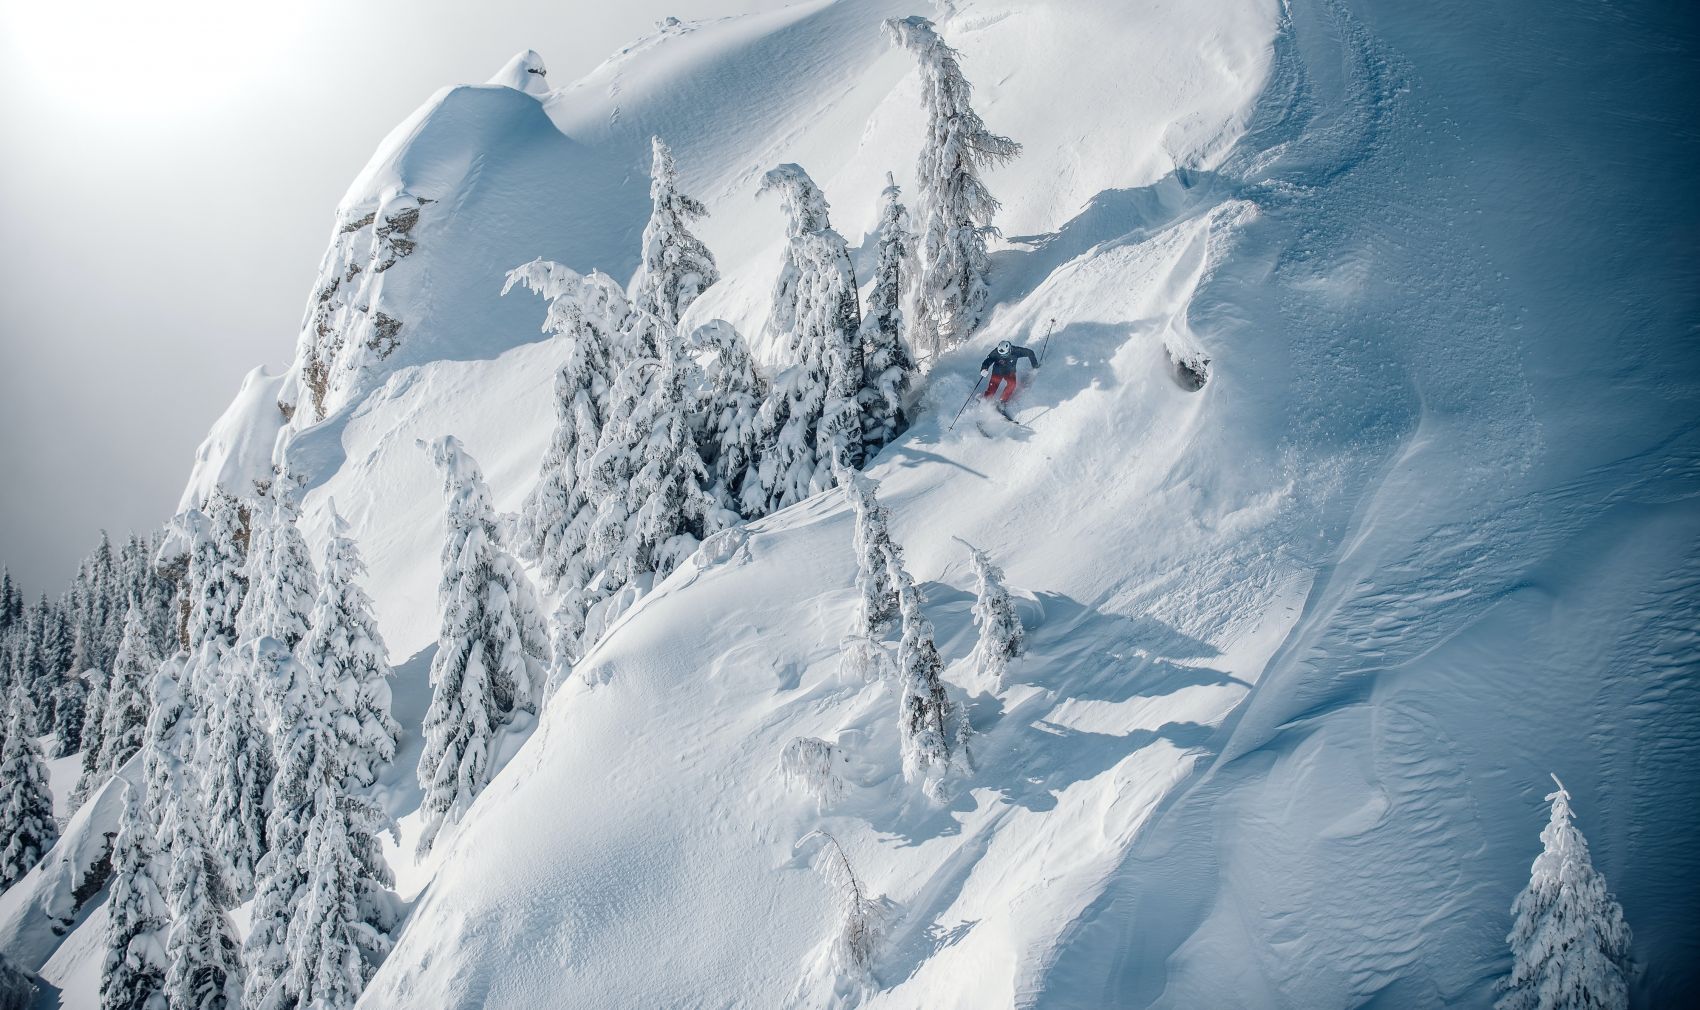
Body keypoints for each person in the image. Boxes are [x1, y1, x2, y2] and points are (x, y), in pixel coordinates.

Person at [980, 339, 1040, 415]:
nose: (1002, 356)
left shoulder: (1016, 351)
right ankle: (985, 401)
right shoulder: (996, 352)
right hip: (997, 372)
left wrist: (1035, 366)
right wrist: (984, 369)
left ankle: (1002, 402)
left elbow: (1030, 352)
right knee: (993, 387)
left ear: (1009, 350)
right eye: (1001, 355)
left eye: (1005, 355)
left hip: (1010, 372)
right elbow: (988, 360)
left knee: (1012, 384)